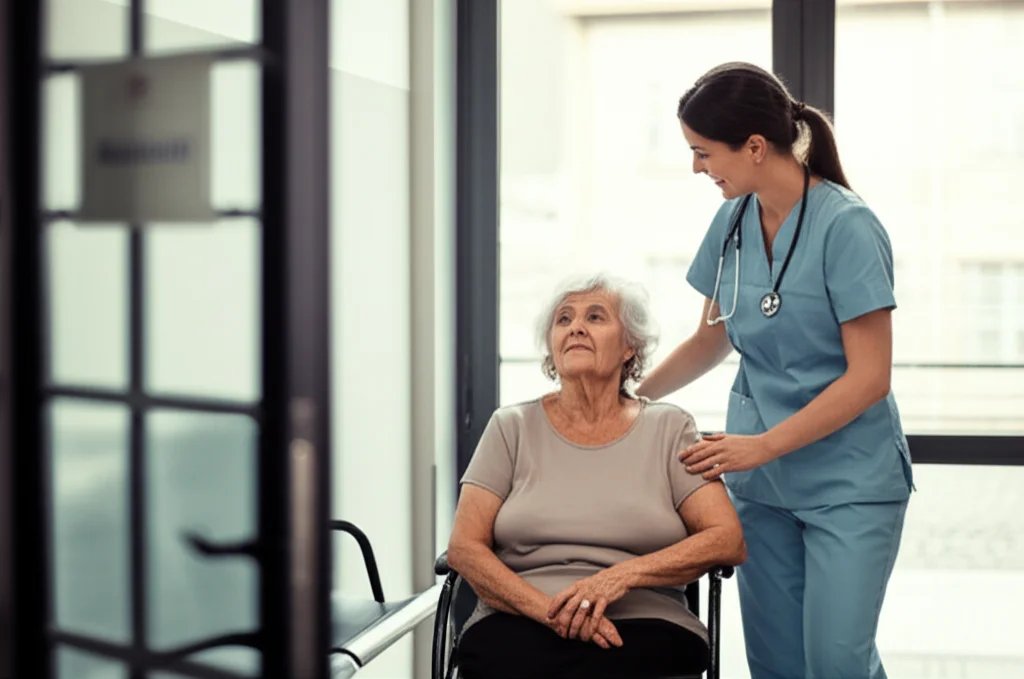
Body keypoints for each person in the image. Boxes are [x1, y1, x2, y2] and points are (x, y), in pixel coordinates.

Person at [636, 62, 914, 679]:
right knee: (777, 664)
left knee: (836, 661)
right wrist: (629, 398)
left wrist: (761, 446)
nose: (696, 167)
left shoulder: (847, 226)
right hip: (763, 491)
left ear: (755, 147)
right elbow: (710, 341)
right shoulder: (733, 221)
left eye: (703, 152)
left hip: (849, 483)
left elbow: (871, 377)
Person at [446, 274, 746, 679]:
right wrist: (551, 613)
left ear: (629, 348)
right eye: (564, 319)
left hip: (644, 619)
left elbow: (727, 540)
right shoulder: (510, 426)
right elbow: (464, 547)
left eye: (596, 316)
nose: (576, 327)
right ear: (553, 347)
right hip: (522, 616)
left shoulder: (670, 428)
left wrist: (617, 578)